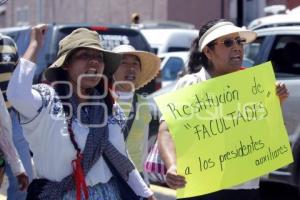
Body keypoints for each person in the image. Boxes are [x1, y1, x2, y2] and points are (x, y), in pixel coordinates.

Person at [7, 25, 156, 199]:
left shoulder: (109, 107)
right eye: (84, 55)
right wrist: (35, 45)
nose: (94, 61)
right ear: (66, 65)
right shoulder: (47, 100)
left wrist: (147, 195)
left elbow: (122, 161)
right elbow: (17, 94)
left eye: (99, 57)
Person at [157, 19, 289, 200]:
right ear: (208, 52)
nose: (237, 47)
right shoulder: (191, 84)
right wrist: (172, 166)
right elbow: (167, 130)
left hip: (245, 188)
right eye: (227, 43)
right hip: (202, 187)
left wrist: (277, 103)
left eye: (239, 41)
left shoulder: (254, 86)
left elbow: (269, 132)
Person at [112, 45, 160, 179]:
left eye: (135, 63)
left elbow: (143, 147)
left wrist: (145, 181)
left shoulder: (144, 104)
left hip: (135, 177)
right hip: (109, 177)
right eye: (124, 62)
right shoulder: (103, 101)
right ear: (112, 69)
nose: (131, 68)